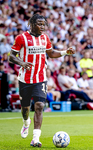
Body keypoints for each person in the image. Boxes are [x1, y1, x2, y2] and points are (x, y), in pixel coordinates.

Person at [8, 14, 75, 147]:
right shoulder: (21, 38)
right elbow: (11, 56)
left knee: (39, 106)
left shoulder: (45, 38)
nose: (42, 26)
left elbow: (50, 53)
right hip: (25, 79)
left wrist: (65, 52)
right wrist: (22, 63)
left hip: (40, 78)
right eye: (39, 24)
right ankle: (26, 122)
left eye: (44, 24)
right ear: (32, 24)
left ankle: (36, 139)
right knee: (25, 109)